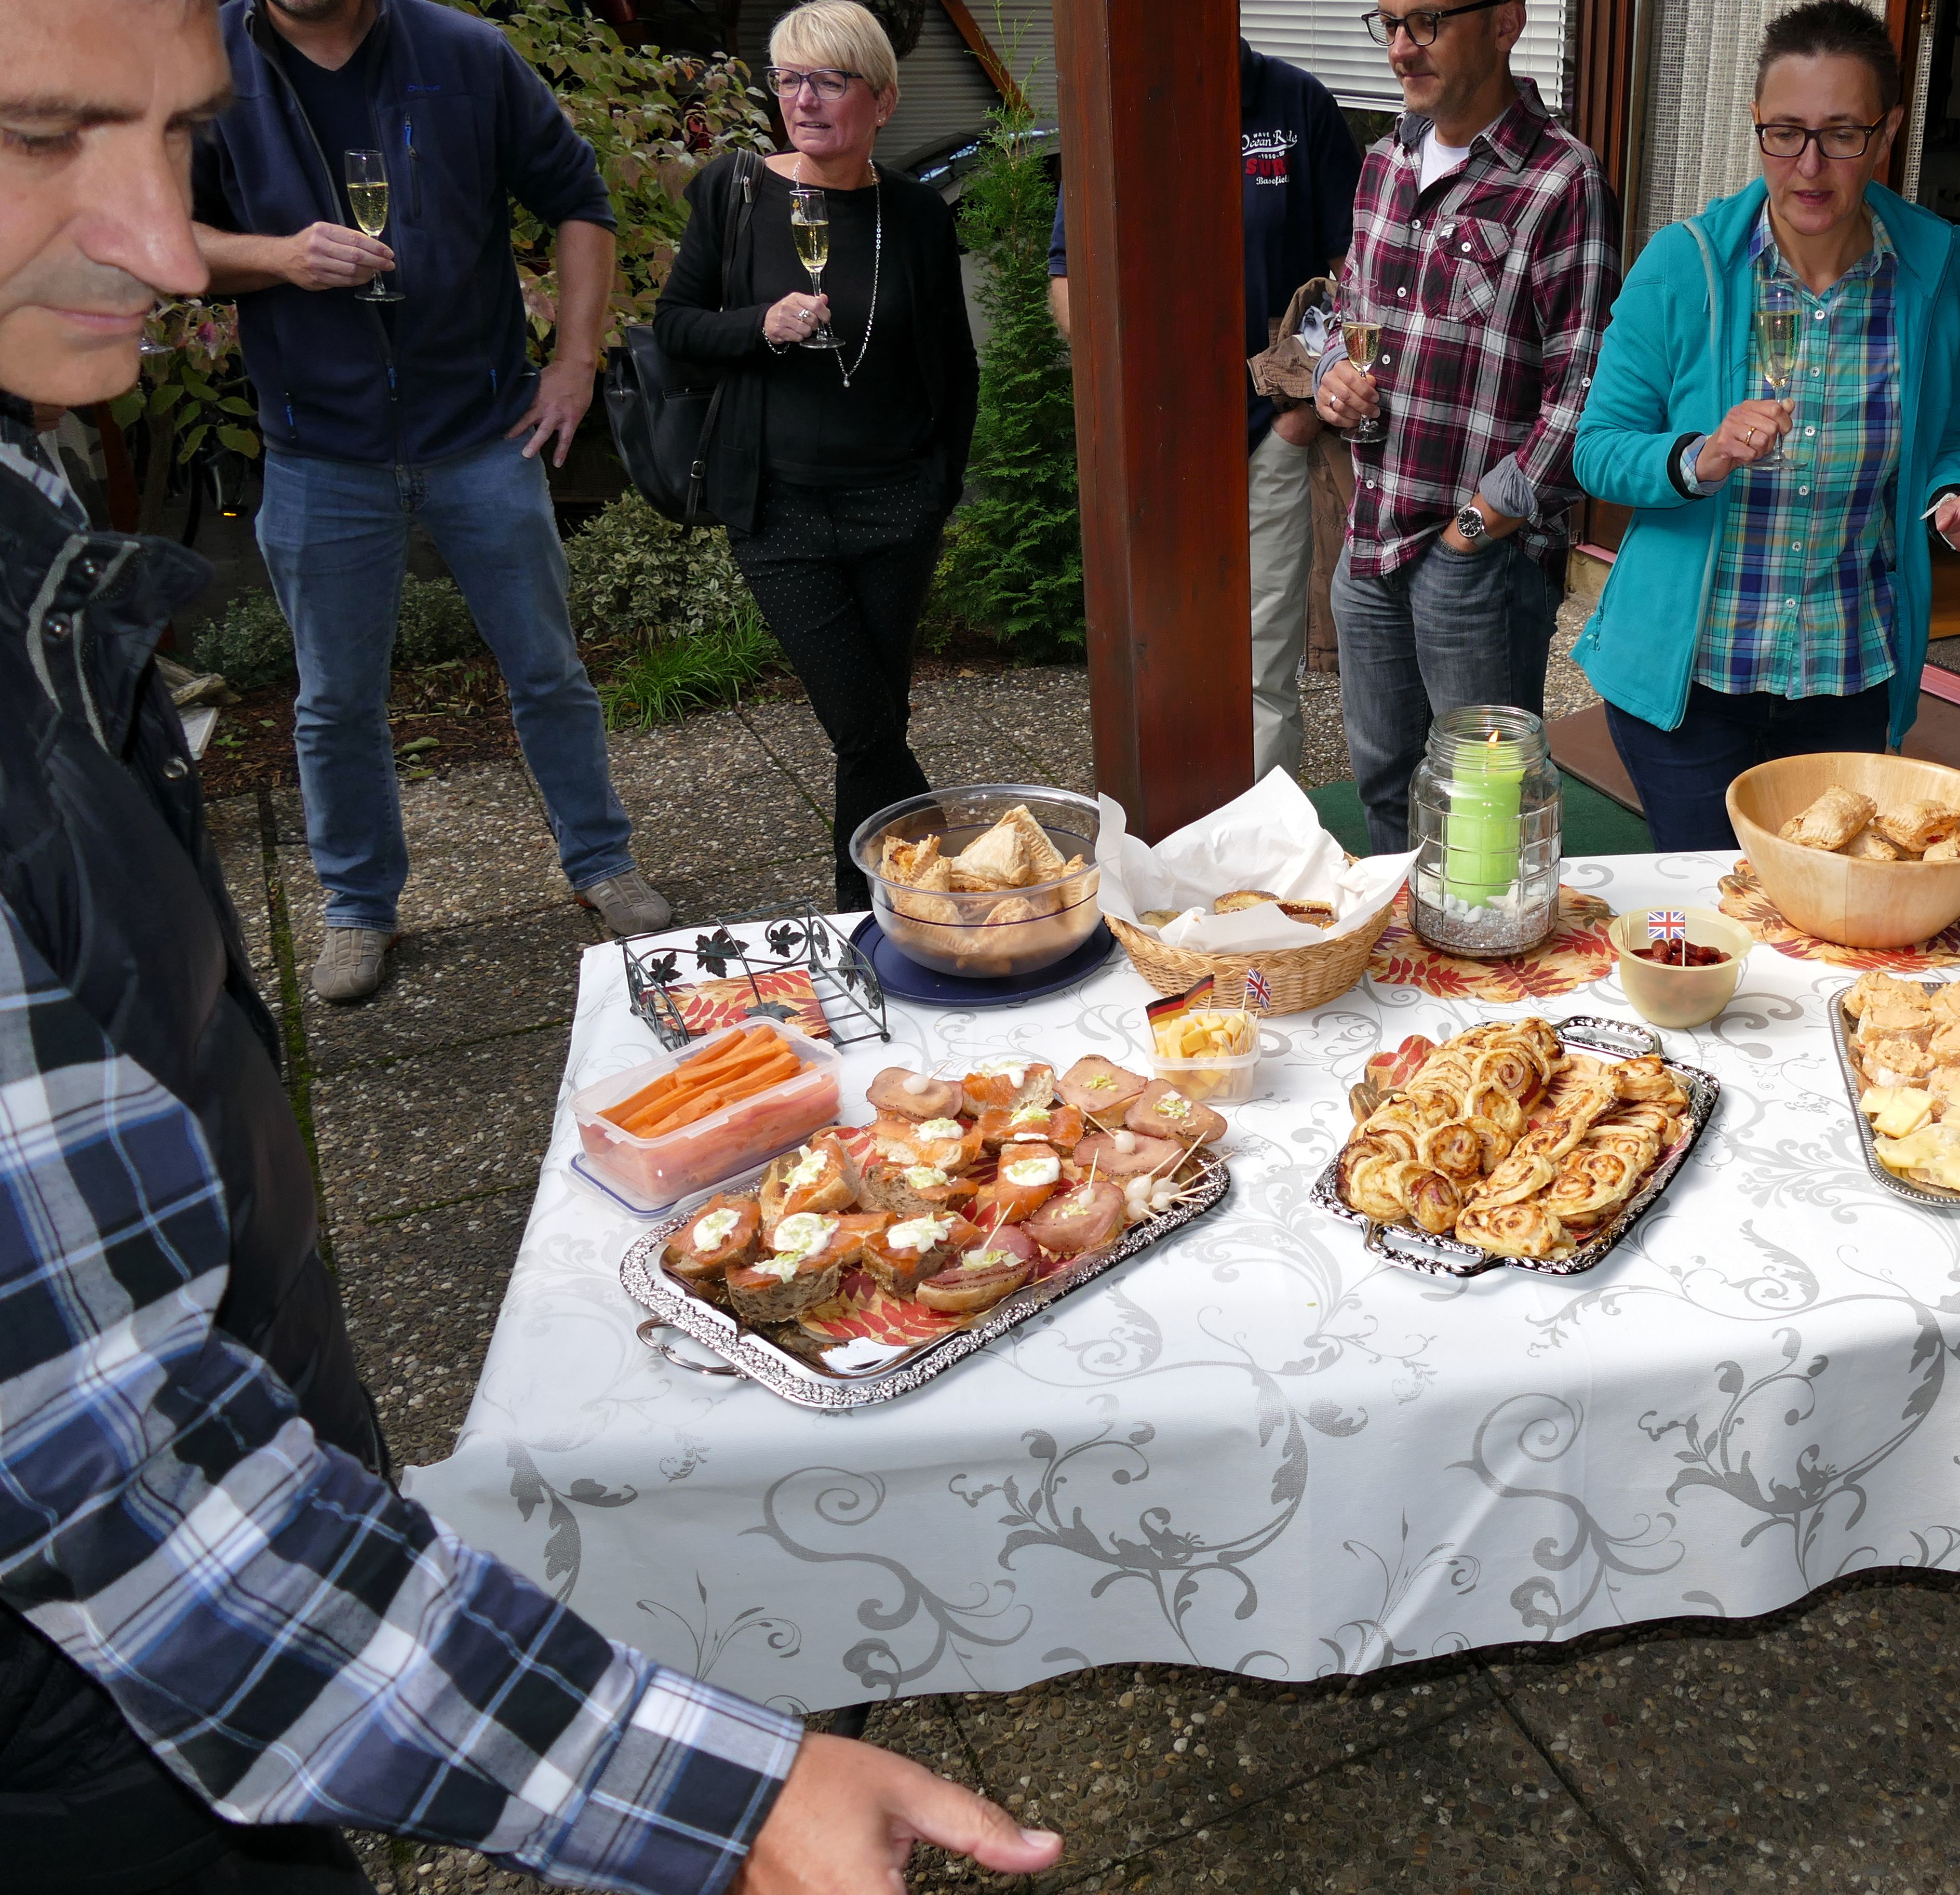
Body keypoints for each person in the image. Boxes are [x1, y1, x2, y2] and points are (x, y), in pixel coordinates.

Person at [1, 1, 1065, 1888]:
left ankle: (645, 867)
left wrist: (568, 363)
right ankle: (380, 900)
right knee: (356, 704)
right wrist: (720, 1789)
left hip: (519, 440)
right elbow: (112, 1481)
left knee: (570, 681)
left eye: (170, 140)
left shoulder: (41, 527)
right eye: (40, 138)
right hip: (96, 1751)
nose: (163, 248)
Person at [191, 0, 674, 1003]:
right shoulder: (206, 63)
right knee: (334, 702)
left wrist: (576, 362)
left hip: (482, 433)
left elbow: (581, 201)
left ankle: (601, 861)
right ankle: (358, 906)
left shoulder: (465, 52)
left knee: (547, 669)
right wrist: (280, 257)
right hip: (319, 449)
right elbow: (162, 238)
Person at [1570, 1, 1960, 849]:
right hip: (1693, 677)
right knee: (1715, 907)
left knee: (1824, 906)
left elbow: (1952, 436)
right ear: (1756, 124)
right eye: (1784, 133)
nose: (1809, 166)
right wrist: (1700, 455)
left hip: (1846, 673)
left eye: (1842, 134)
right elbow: (1596, 451)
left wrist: (1955, 499)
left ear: (1888, 132)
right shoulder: (1684, 265)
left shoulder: (1933, 266)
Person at [655, 0, 976, 914]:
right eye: (789, 79)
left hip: (897, 508)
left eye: (829, 81)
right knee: (863, 722)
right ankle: (936, 893)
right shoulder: (733, 192)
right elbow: (675, 330)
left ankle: (864, 915)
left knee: (872, 724)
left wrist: (939, 488)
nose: (802, 99)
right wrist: (760, 326)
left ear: (881, 100)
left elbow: (954, 363)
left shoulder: (914, 213)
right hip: (780, 508)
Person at [1312, 0, 1618, 853]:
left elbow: (1585, 390)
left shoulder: (1562, 180)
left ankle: (1490, 947)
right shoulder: (1383, 163)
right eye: (1388, 24)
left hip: (1479, 560)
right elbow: (1348, 313)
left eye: (1426, 22)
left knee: (1485, 815)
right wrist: (1334, 372)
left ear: (1505, 23)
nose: (1401, 49)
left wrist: (1475, 530)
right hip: (1372, 536)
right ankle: (1404, 940)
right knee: (1382, 789)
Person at [1046, 40, 1361, 783]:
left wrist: (1301, 416)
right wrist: (1126, 394)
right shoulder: (1118, 106)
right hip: (1155, 444)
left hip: (1271, 432)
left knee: (1260, 672)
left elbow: (1354, 270)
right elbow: (1069, 275)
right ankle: (1165, 844)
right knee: (1156, 661)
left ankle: (1256, 848)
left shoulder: (1295, 102)